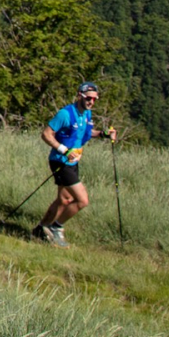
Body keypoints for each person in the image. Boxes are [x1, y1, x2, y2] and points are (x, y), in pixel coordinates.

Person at [32, 81, 115, 247]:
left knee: (64, 199)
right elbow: (46, 134)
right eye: (88, 98)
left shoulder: (86, 114)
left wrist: (103, 134)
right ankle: (57, 228)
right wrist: (64, 150)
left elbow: (85, 132)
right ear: (80, 96)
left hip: (72, 161)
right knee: (82, 200)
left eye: (94, 99)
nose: (91, 102)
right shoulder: (65, 114)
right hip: (61, 161)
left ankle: (40, 230)